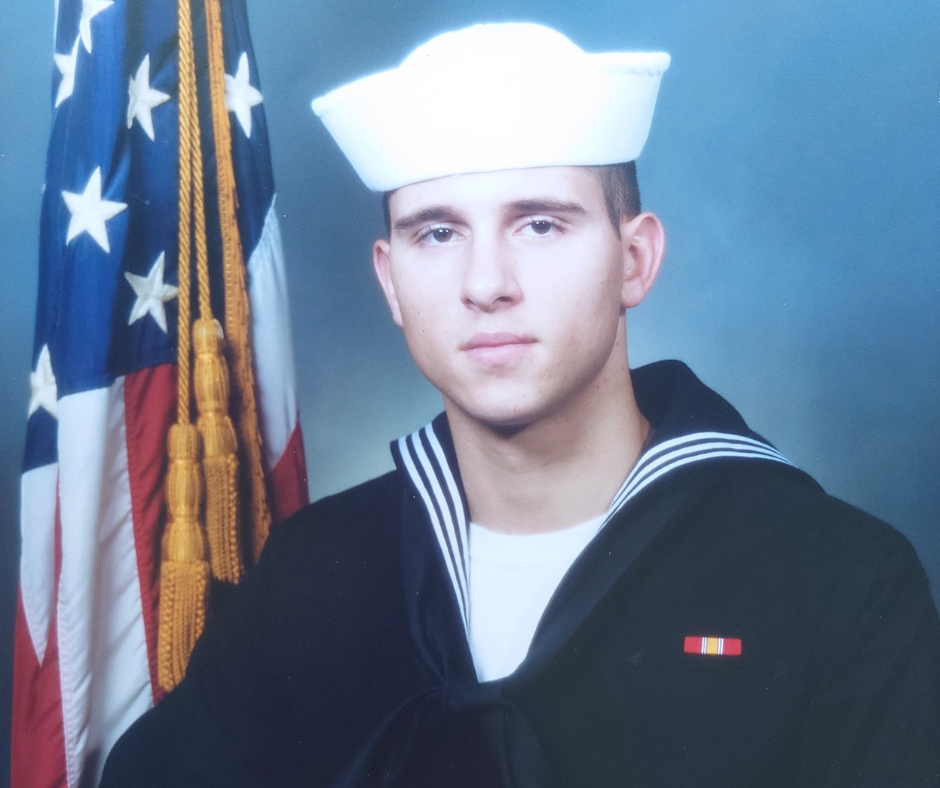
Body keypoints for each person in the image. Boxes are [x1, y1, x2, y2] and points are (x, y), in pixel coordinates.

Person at [102, 22, 940, 787]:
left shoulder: (836, 581)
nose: (486, 285)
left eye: (540, 225)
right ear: (391, 283)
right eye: (439, 232)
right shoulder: (314, 573)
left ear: (635, 260)